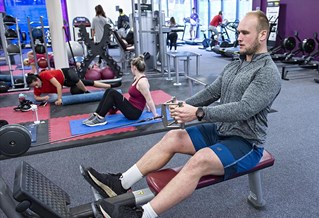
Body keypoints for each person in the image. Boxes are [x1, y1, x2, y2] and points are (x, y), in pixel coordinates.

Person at [82, 10, 282, 217]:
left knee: (200, 160)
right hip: (221, 130)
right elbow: (212, 92)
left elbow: (244, 109)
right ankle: (121, 183)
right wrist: (182, 105)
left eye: (245, 33)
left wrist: (199, 113)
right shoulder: (235, 64)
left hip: (246, 142)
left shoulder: (267, 73)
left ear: (262, 35)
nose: (239, 37)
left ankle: (142, 215)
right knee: (173, 137)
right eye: (239, 32)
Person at [83, 55, 159, 127]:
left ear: (135, 68)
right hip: (130, 106)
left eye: (131, 67)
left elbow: (149, 99)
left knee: (112, 93)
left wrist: (155, 115)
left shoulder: (142, 82)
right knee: (109, 90)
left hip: (134, 113)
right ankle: (97, 114)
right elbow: (142, 95)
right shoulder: (136, 78)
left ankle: (100, 118)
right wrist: (146, 107)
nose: (131, 69)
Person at [26, 68, 111, 105]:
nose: (36, 87)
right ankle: (110, 86)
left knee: (75, 79)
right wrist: (44, 98)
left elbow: (58, 86)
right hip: (65, 82)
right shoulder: (38, 87)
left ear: (37, 79)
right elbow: (36, 97)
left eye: (36, 84)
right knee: (75, 91)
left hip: (66, 73)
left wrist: (59, 99)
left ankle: (87, 91)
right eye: (34, 87)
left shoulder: (44, 75)